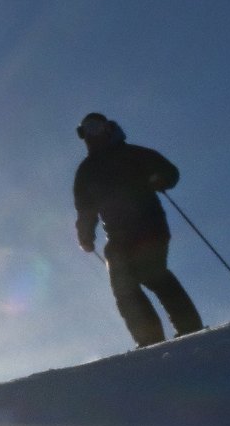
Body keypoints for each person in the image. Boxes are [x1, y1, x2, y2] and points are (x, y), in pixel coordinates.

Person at [73, 112, 203, 347]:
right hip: (116, 235)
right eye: (86, 129)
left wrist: (159, 179)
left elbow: (169, 172)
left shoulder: (131, 153)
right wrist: (85, 234)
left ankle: (190, 330)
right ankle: (150, 341)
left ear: (107, 128)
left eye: (96, 126)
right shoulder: (87, 171)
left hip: (148, 224)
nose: (92, 134)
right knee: (123, 286)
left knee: (151, 272)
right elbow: (86, 209)